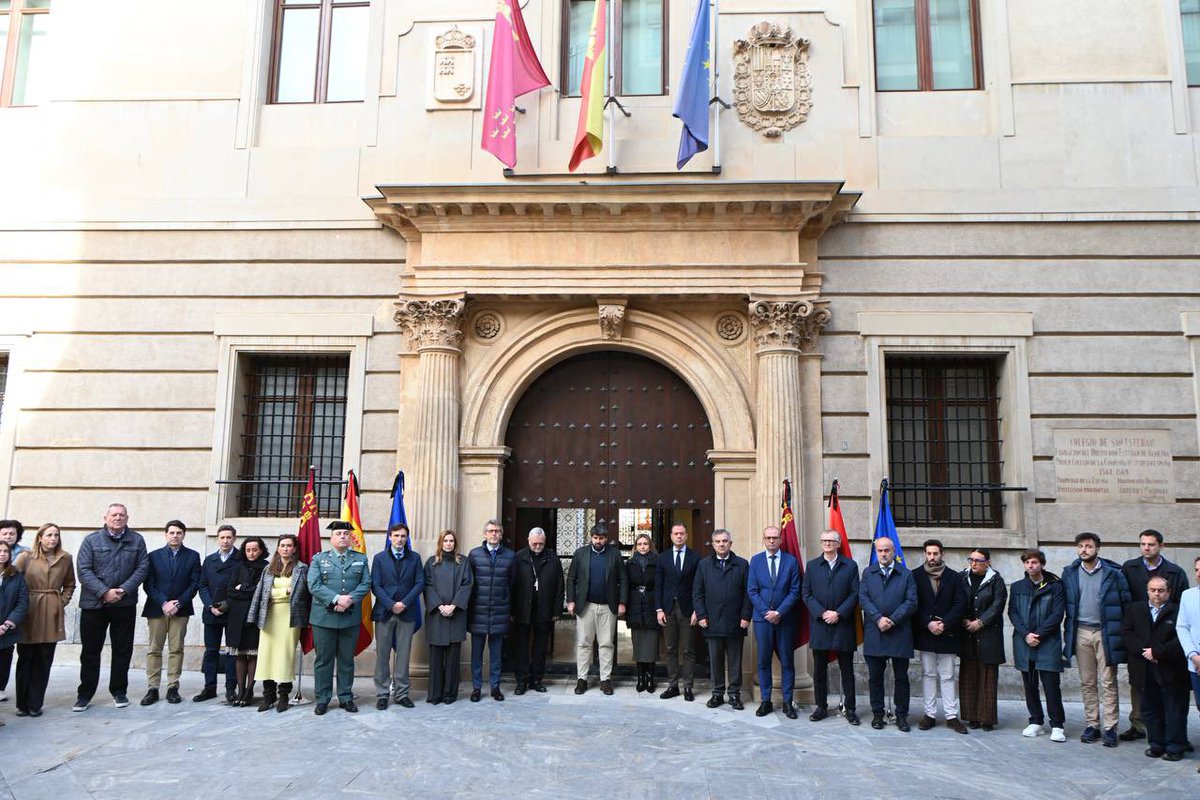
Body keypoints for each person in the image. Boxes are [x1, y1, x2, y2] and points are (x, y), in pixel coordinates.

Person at [73, 503, 149, 712]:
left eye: (122, 515)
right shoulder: (91, 540)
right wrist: (104, 592)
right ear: (105, 517)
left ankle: (119, 691)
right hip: (94, 604)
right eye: (114, 515)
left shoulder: (137, 540)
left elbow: (142, 568)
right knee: (90, 651)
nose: (118, 518)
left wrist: (123, 590)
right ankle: (85, 694)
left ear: (127, 518)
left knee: (122, 650)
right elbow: (84, 570)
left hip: (124, 604)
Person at [1119, 528, 1189, 743]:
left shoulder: (1175, 572)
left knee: (1170, 694)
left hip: (1166, 640)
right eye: (1143, 544)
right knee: (1141, 688)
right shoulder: (1130, 568)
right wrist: (1139, 646)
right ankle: (1140, 726)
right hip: (1139, 639)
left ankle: (1173, 737)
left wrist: (1162, 649)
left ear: (1161, 546)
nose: (1146, 548)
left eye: (1151, 544)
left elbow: (1181, 609)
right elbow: (1124, 602)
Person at [1062, 531, 1131, 747]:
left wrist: (1123, 633)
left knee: (1108, 681)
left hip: (1106, 633)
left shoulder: (1113, 573)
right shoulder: (1070, 573)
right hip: (1081, 632)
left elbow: (1126, 603)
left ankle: (1110, 728)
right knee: (1087, 682)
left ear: (1097, 549)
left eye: (1089, 546)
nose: (1084, 550)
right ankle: (1092, 725)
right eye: (1081, 546)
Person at [1122, 575, 1190, 761]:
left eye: (1161, 590)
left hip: (1171, 668)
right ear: (1147, 591)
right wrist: (1144, 651)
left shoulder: (1177, 611)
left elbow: (1182, 637)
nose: (1156, 594)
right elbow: (1127, 633)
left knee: (1174, 710)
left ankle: (1175, 746)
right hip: (1144, 668)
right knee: (1150, 709)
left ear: (1168, 592)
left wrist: (1158, 652)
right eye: (1152, 590)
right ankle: (1156, 744)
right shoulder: (1135, 609)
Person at [306, 521, 370, 715]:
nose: (343, 536)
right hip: (324, 618)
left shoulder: (360, 559)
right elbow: (314, 585)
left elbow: (366, 583)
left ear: (351, 538)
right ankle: (323, 698)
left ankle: (345, 697)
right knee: (323, 660)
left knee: (346, 660)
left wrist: (349, 600)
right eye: (338, 534)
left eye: (346, 534)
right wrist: (336, 599)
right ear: (331, 538)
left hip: (349, 617)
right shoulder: (319, 559)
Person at [13, 524, 75, 717]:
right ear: (40, 537)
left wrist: (60, 602)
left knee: (44, 659)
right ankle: (22, 703)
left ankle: (35, 703)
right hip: (29, 611)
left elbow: (70, 584)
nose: (53, 538)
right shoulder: (26, 557)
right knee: (26, 658)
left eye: (56, 535)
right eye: (49, 535)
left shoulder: (65, 558)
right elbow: (13, 580)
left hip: (51, 612)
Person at [801, 528, 860, 725]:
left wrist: (838, 613)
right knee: (819, 670)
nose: (827, 543)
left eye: (831, 540)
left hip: (843, 624)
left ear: (838, 543)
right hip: (820, 624)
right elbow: (806, 594)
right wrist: (822, 613)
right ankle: (821, 706)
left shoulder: (850, 566)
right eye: (824, 540)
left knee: (847, 669)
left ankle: (850, 708)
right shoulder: (812, 566)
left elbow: (854, 594)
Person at [139, 520, 201, 706]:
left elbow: (194, 583)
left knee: (176, 649)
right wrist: (164, 602)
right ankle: (153, 687)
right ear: (166, 534)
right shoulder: (153, 556)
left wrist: (179, 602)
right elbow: (149, 584)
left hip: (180, 610)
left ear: (184, 535)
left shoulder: (192, 556)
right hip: (157, 608)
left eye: (179, 533)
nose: (175, 536)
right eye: (172, 532)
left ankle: (173, 686)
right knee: (154, 649)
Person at [1008, 549, 1067, 742]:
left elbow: (1057, 614)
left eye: (1034, 562)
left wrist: (1039, 635)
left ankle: (1057, 724)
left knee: (1051, 686)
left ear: (1042, 564)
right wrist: (1026, 635)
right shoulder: (1017, 587)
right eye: (1027, 563)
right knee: (1030, 684)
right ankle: (1036, 721)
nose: (1030, 566)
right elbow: (1013, 612)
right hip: (1024, 643)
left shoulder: (1055, 586)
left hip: (1047, 642)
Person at [860, 537, 917, 731]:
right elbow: (863, 598)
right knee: (875, 677)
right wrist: (878, 618)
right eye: (880, 551)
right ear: (876, 552)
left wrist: (892, 620)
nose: (883, 554)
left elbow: (911, 601)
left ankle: (901, 716)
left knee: (901, 677)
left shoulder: (906, 574)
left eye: (887, 550)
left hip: (899, 632)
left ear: (894, 552)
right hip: (875, 632)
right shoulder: (868, 573)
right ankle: (878, 714)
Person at [248, 533, 310, 713]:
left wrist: (278, 593)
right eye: (282, 545)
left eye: (289, 545)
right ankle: (268, 696)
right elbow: (262, 593)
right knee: (267, 655)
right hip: (269, 616)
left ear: (295, 548)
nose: (285, 549)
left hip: (290, 618)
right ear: (277, 548)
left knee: (285, 655)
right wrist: (285, 592)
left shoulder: (301, 568)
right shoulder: (268, 569)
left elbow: (303, 593)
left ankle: (283, 696)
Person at [911, 539, 967, 734]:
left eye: (935, 553)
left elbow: (960, 604)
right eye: (929, 554)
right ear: (925, 554)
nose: (932, 557)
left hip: (948, 632)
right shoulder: (915, 576)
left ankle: (951, 716)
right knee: (927, 674)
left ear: (942, 554)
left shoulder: (954, 577)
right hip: (925, 632)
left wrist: (944, 623)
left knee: (948, 675)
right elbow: (913, 604)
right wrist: (928, 623)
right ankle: (930, 715)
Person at [693, 528, 752, 710]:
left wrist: (745, 616)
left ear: (730, 544)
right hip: (712, 622)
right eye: (717, 541)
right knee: (715, 661)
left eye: (724, 541)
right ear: (713, 544)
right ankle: (717, 694)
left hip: (736, 622)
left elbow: (748, 594)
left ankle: (734, 694)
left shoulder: (742, 565)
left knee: (735, 662)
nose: (721, 544)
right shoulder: (704, 565)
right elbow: (697, 593)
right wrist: (701, 615)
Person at [566, 523, 627, 695]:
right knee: (584, 643)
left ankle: (605, 680)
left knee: (606, 644)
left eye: (601, 538)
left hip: (608, 606)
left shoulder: (614, 554)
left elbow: (623, 579)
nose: (598, 541)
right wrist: (570, 601)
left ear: (606, 539)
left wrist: (622, 602)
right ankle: (582, 679)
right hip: (586, 606)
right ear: (591, 537)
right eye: (595, 538)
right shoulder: (581, 553)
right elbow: (571, 578)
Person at [747, 525, 801, 718]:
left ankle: (787, 702)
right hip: (762, 621)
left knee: (787, 661)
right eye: (768, 538)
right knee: (763, 662)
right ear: (764, 540)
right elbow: (752, 590)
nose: (771, 541)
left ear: (780, 540)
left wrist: (779, 612)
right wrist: (766, 612)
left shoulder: (791, 561)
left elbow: (795, 591)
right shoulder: (755, 561)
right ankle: (766, 701)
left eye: (775, 537)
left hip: (785, 620)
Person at [370, 522, 424, 710]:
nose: (400, 539)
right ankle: (383, 694)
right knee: (382, 655)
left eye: (403, 536)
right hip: (384, 612)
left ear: (406, 538)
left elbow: (419, 583)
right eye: (396, 536)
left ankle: (401, 693)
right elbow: (375, 585)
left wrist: (404, 603)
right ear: (389, 537)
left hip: (407, 612)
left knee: (403, 654)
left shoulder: (415, 558)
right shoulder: (379, 558)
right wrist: (391, 604)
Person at [958, 548, 1007, 731]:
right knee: (969, 676)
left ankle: (986, 718)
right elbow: (957, 600)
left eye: (978, 560)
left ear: (988, 562)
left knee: (987, 677)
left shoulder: (996, 580)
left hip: (988, 635)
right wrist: (963, 620)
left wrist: (980, 622)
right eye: (971, 559)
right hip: (967, 634)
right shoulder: (962, 578)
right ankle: (972, 717)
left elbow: (997, 605)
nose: (974, 563)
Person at [510, 527, 564, 695]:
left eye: (541, 543)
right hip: (522, 609)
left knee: (540, 648)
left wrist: (556, 611)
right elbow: (511, 585)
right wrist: (511, 610)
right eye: (535, 543)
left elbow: (559, 586)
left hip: (544, 610)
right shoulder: (518, 557)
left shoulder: (552, 558)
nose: (538, 546)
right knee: (521, 647)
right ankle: (521, 681)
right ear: (528, 540)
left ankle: (536, 680)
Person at [466, 519, 514, 702]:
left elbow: (513, 583)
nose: (494, 534)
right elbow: (468, 583)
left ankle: (495, 687)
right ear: (484, 534)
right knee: (476, 654)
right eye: (491, 531)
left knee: (496, 654)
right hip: (478, 611)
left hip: (499, 611)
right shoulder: (474, 555)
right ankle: (476, 688)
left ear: (501, 535)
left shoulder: (510, 556)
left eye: (497, 531)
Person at [424, 530, 473, 705]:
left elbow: (467, 584)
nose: (449, 543)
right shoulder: (431, 563)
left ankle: (450, 694)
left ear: (455, 543)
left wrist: (454, 605)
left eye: (452, 540)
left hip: (456, 614)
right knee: (436, 658)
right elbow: (427, 586)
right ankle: (435, 694)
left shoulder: (463, 562)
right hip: (437, 615)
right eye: (446, 540)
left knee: (453, 658)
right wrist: (439, 606)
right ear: (440, 543)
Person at [194, 524, 241, 702]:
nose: (225, 541)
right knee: (211, 651)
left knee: (231, 652)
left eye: (229, 537)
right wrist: (209, 606)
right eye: (222, 537)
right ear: (217, 539)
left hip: (231, 612)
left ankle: (231, 688)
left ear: (234, 539)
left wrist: (226, 605)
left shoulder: (240, 559)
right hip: (211, 612)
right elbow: (202, 585)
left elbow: (240, 587)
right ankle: (209, 687)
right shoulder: (209, 560)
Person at [655, 522, 700, 701]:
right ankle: (673, 685)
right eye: (676, 534)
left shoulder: (695, 557)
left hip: (688, 609)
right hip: (668, 609)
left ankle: (688, 687)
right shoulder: (663, 557)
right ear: (671, 536)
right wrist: (659, 609)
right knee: (670, 648)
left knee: (688, 649)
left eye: (682, 533)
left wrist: (698, 610)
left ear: (686, 536)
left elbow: (698, 586)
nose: (679, 536)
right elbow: (658, 586)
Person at [625, 532, 661, 695]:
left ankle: (650, 677)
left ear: (650, 545)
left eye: (645, 544)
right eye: (639, 544)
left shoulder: (658, 562)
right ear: (635, 546)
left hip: (652, 603)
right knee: (638, 643)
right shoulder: (630, 563)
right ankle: (641, 678)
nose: (642, 547)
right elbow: (626, 585)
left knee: (651, 644)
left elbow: (661, 584)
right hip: (635, 605)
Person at [1175, 556, 1200, 773]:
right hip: (1196, 664)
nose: (1199, 573)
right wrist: (1193, 655)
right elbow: (1182, 627)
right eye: (1197, 569)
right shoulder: (1188, 595)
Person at [0, 542, 28, 726]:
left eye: (5, 551)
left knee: (1, 674)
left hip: (6, 634)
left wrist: (8, 624)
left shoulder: (15, 575)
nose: (2, 554)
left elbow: (22, 601)